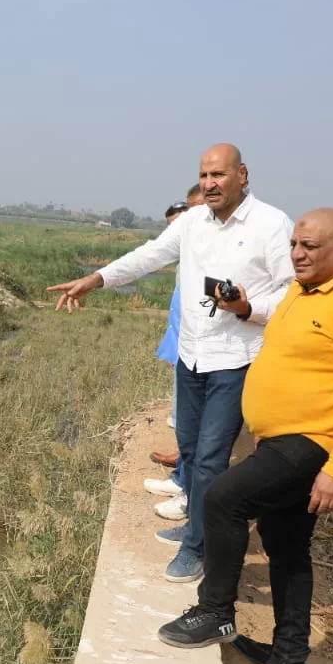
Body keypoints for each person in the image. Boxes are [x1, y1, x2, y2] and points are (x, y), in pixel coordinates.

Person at [157, 208, 333, 664]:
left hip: (315, 442)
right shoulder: (302, 290)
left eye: (309, 246)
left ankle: (215, 612)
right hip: (284, 439)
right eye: (294, 244)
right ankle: (290, 656)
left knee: (223, 498)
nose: (297, 254)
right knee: (285, 544)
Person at [48, 144, 294, 582]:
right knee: (192, 450)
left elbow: (291, 293)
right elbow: (148, 255)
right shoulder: (193, 222)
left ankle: (198, 548)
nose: (209, 184)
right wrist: (97, 279)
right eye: (204, 175)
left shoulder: (271, 224)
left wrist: (247, 307)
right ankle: (197, 525)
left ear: (242, 175)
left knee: (211, 458)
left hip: (235, 361)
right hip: (191, 356)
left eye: (218, 175)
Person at [145, 184, 205, 527]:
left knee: (195, 426)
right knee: (185, 420)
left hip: (203, 355)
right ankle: (181, 477)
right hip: (185, 347)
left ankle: (187, 493)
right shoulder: (187, 254)